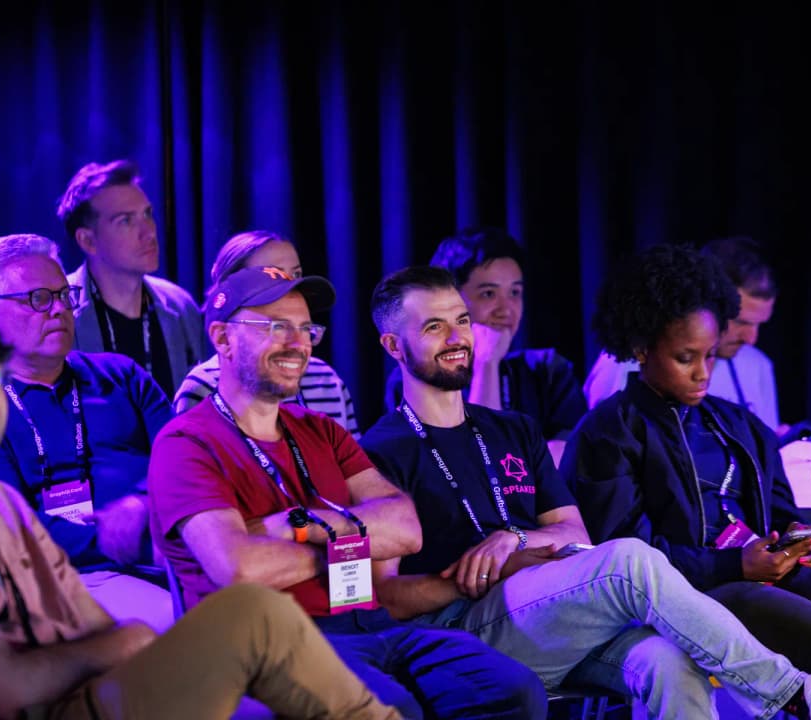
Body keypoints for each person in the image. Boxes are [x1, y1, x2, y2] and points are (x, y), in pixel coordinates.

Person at [360, 264, 811, 720]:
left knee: (671, 662)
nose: (457, 337)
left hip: (549, 615)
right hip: (461, 630)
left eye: (460, 320)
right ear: (392, 345)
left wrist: (514, 541)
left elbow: (572, 532)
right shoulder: (381, 451)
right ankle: (798, 694)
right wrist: (486, 573)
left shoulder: (513, 429)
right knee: (628, 561)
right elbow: (386, 596)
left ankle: (802, 696)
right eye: (434, 327)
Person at [0, 295, 399, 720]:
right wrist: (122, 645)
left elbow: (94, 623)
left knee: (256, 620)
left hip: (91, 689)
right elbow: (8, 690)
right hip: (50, 709)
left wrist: (126, 644)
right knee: (252, 625)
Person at [562, 243, 811, 720]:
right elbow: (627, 556)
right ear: (641, 349)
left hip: (762, 575)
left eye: (711, 356)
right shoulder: (609, 432)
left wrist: (801, 541)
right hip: (688, 596)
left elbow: (781, 511)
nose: (702, 373)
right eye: (685, 358)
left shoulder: (739, 424)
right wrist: (735, 564)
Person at [148, 265, 547, 719]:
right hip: (273, 640)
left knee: (513, 690)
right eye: (276, 327)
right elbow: (238, 569)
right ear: (222, 337)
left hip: (373, 626)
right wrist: (349, 545)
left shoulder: (322, 431)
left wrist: (295, 525)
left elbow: (405, 528)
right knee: (392, 707)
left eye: (306, 329)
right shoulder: (187, 443)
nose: (298, 343)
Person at [0, 233, 174, 631]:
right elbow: (11, 526)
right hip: (68, 576)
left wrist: (141, 505)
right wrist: (118, 543)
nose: (60, 309)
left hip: (167, 549)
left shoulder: (121, 375)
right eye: (38, 299)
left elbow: (184, 462)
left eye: (65, 295)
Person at [383, 226, 585, 466]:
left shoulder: (547, 370)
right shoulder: (418, 374)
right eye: (488, 294)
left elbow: (566, 460)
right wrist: (486, 363)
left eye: (515, 292)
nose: (506, 309)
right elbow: (473, 469)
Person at [583, 235, 786, 436]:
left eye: (759, 324)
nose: (751, 339)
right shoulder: (626, 363)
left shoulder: (758, 365)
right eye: (741, 322)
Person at [173, 229, 360, 437]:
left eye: (296, 275)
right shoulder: (204, 387)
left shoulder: (326, 378)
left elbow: (351, 454)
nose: (289, 286)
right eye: (272, 274)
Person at [57, 159, 204, 399]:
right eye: (126, 220)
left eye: (147, 214)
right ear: (88, 241)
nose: (149, 232)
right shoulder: (59, 311)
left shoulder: (180, 305)